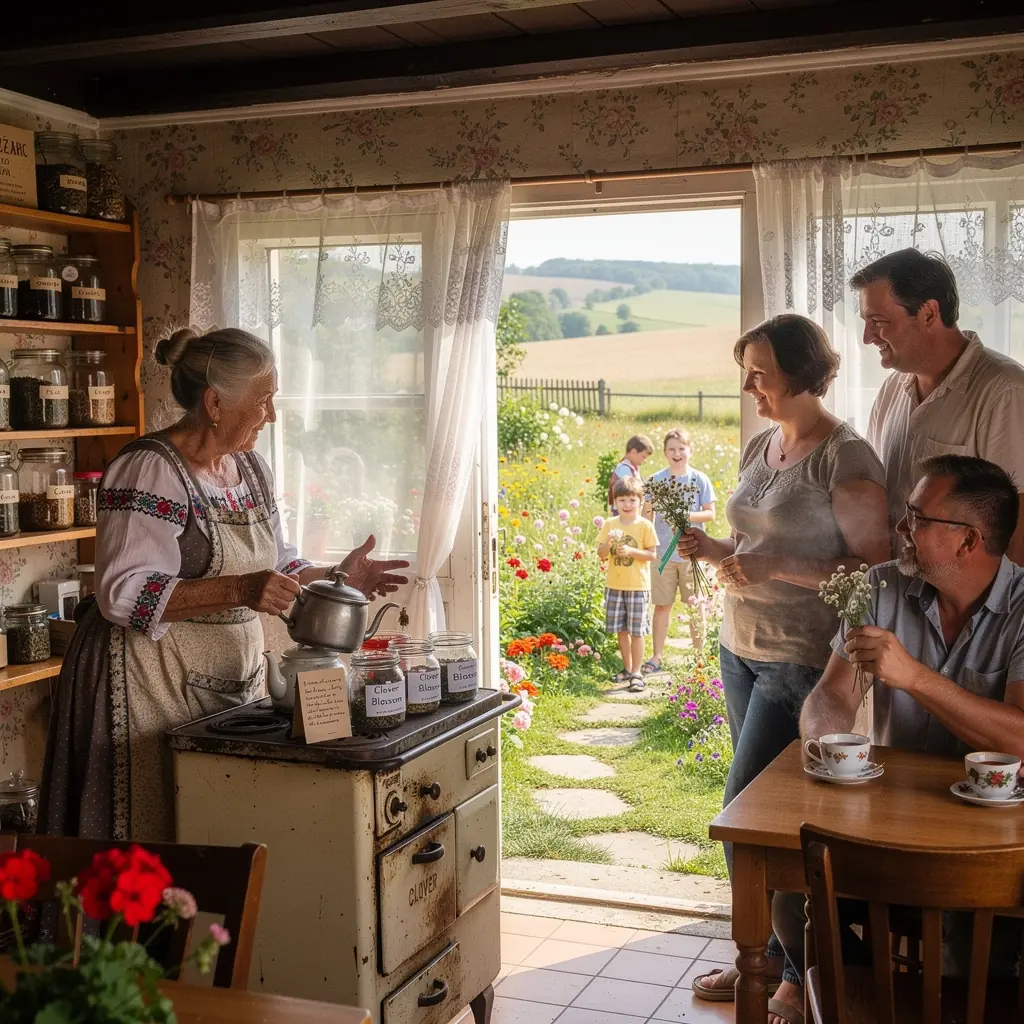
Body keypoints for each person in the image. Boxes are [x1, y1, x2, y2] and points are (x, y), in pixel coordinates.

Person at [39, 327, 409, 843]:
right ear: (215, 402)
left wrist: (338, 575)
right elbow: (122, 592)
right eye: (263, 401)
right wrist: (237, 590)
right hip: (143, 681)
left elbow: (275, 567)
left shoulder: (250, 470)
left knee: (217, 820)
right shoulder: (148, 470)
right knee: (148, 829)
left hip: (222, 681)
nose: (272, 416)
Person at [678, 314, 890, 1004]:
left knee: (747, 825)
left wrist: (775, 565)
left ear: (800, 372)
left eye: (759, 373)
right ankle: (761, 958)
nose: (747, 387)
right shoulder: (764, 445)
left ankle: (802, 976)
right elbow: (753, 544)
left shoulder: (846, 458)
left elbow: (872, 571)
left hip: (800, 664)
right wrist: (715, 550)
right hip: (739, 649)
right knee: (762, 825)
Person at [769, 455, 1024, 1023]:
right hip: (889, 825)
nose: (900, 529)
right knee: (790, 900)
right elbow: (834, 694)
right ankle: (877, 996)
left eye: (917, 517)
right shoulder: (880, 586)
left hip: (990, 844)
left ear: (967, 541)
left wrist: (912, 675)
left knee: (965, 954)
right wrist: (823, 741)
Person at [853, 248, 1024, 561]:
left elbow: (1018, 528)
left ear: (929, 313)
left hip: (968, 608)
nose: (867, 337)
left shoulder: (1005, 390)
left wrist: (996, 611)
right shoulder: (892, 388)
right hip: (898, 596)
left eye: (878, 321)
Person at [642, 428, 716, 673]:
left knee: (695, 605)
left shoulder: (699, 479)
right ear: (664, 453)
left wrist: (687, 515)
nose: (677, 453)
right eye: (672, 449)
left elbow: (710, 513)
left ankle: (699, 657)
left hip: (692, 554)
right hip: (663, 555)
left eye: (681, 448)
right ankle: (656, 656)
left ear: (690, 451)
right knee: (662, 606)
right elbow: (647, 515)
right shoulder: (655, 480)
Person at [596, 476, 658, 692]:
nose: (627, 505)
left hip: (638, 586)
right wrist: (610, 544)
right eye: (622, 500)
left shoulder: (645, 526)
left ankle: (637, 672)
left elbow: (652, 555)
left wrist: (632, 551)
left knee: (637, 631)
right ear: (615, 502)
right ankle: (628, 667)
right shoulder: (609, 524)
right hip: (615, 584)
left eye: (632, 500)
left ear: (640, 503)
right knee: (621, 630)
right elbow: (601, 554)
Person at [607, 434, 654, 511]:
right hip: (622, 510)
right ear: (633, 452)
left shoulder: (633, 467)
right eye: (643, 457)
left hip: (630, 509)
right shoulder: (624, 469)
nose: (645, 461)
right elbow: (631, 489)